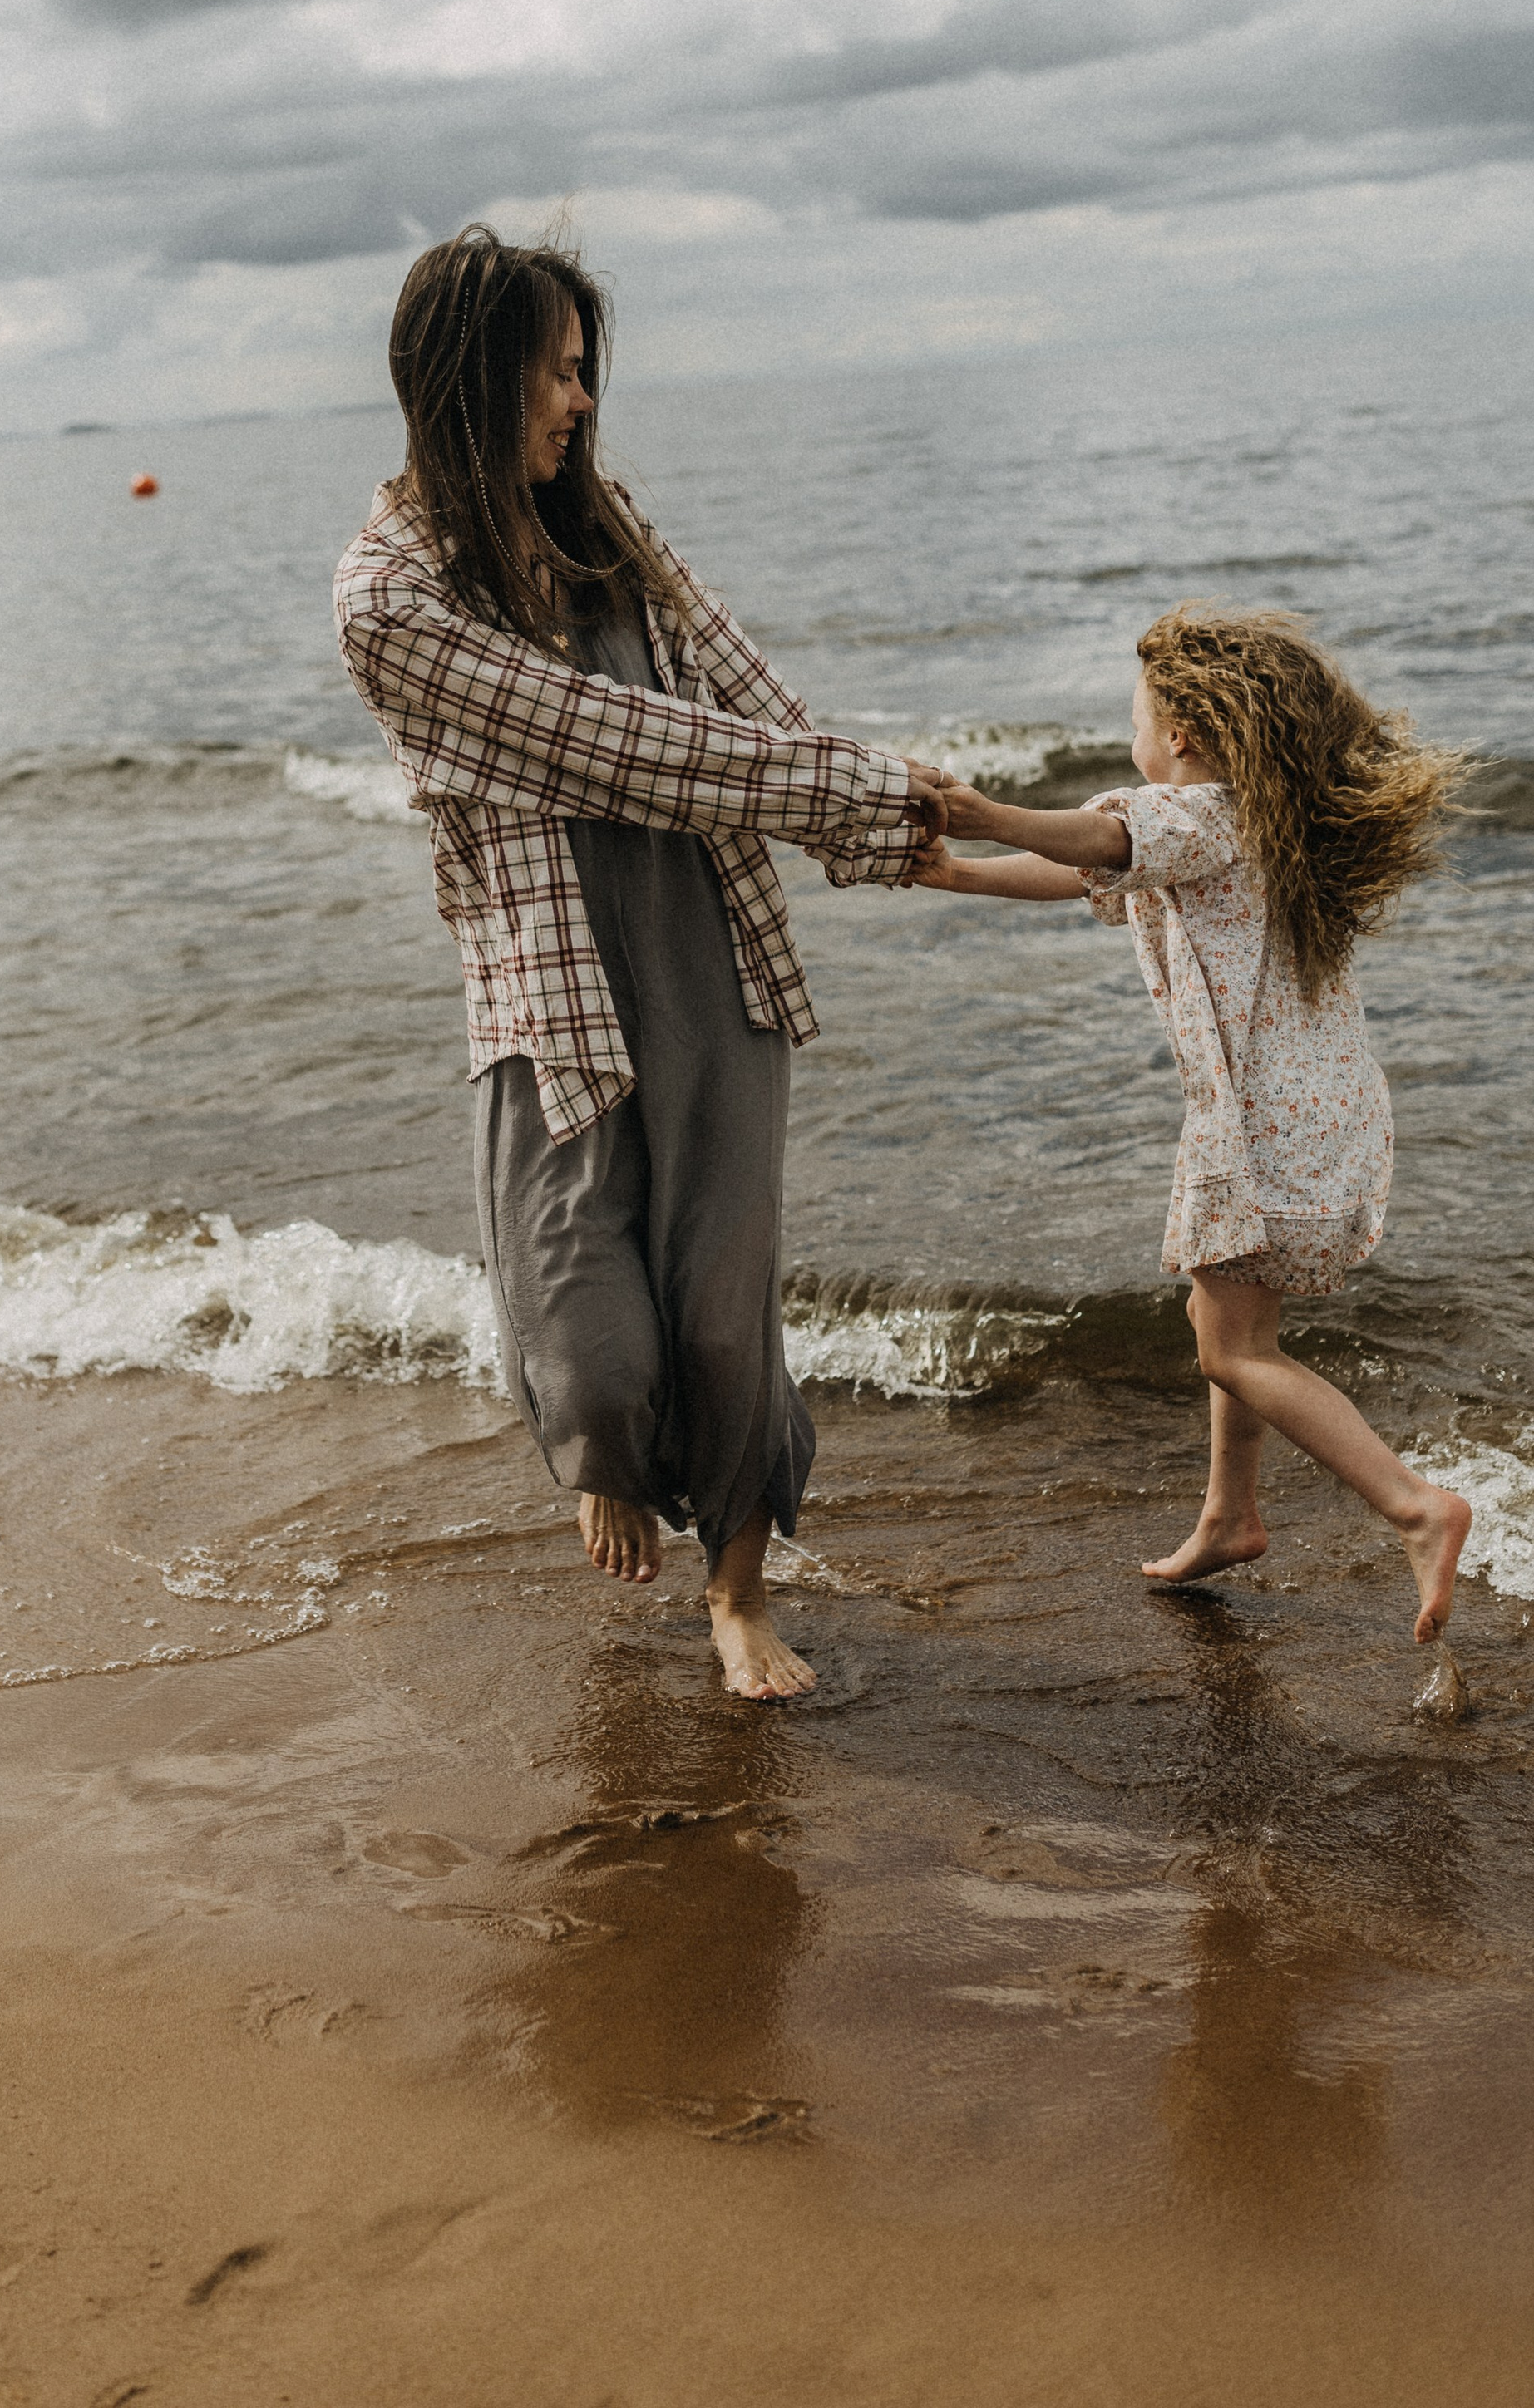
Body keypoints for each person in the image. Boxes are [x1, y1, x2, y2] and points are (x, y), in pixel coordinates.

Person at [334, 227, 945, 1700]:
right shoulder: (388, 602)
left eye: (586, 370)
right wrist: (857, 794)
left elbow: (744, 698)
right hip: (551, 989)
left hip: (710, 954)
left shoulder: (609, 526)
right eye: (553, 370)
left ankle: (738, 1595)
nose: (579, 401)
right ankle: (606, 1443)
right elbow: (619, 743)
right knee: (591, 1341)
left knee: (723, 1310)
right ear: (467, 381)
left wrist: (942, 838)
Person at [912, 604, 1471, 1643]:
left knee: (1234, 1351)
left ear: (1185, 737)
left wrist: (985, 816)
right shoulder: (1248, 826)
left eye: (1135, 718)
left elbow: (1099, 835)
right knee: (1228, 1329)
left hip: (1265, 1132)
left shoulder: (1202, 814)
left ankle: (1413, 1507)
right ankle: (1230, 1514)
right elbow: (1095, 869)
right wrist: (959, 873)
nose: (1130, 736)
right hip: (1315, 1115)